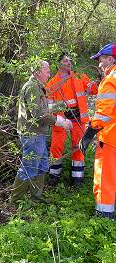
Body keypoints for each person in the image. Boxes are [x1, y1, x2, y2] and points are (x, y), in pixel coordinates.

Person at [10, 61, 72, 204]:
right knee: (29, 167)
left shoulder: (38, 87)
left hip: (39, 134)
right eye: (47, 70)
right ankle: (15, 201)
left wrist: (58, 114)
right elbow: (38, 114)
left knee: (42, 166)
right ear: (37, 72)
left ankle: (35, 198)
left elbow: (43, 110)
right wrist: (59, 122)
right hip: (32, 135)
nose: (49, 74)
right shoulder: (32, 87)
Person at [45, 53, 98, 187]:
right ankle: (54, 176)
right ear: (58, 64)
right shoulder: (52, 83)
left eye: (70, 60)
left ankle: (77, 179)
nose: (69, 63)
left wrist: (98, 81)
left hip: (78, 118)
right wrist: (59, 116)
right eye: (65, 60)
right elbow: (49, 106)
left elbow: (93, 90)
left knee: (78, 147)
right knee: (56, 147)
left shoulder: (80, 76)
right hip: (61, 119)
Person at [79, 43, 116, 219]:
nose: (100, 64)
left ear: (110, 59)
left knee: (104, 178)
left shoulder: (110, 80)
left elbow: (103, 114)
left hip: (110, 139)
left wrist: (89, 134)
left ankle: (104, 217)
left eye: (101, 60)